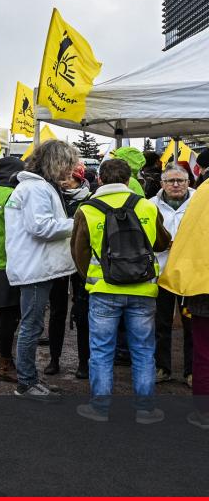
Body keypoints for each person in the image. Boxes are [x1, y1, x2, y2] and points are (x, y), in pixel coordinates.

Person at [71, 158, 171, 423]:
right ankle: (146, 410)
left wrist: (91, 279)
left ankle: (100, 408)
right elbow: (161, 243)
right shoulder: (147, 206)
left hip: (103, 290)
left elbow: (78, 253)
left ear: (100, 179)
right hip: (143, 291)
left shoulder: (87, 209)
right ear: (129, 180)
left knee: (102, 351)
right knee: (143, 351)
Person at [5, 139, 80, 403]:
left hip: (36, 266)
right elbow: (42, 227)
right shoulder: (36, 189)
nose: (70, 171)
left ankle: (30, 379)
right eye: (68, 165)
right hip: (35, 268)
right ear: (55, 163)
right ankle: (26, 382)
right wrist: (75, 223)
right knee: (31, 326)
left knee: (31, 325)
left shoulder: (34, 187)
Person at [151, 164, 195, 385]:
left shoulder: (199, 203)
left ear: (189, 182)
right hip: (162, 274)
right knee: (161, 324)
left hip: (191, 276)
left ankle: (192, 371)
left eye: (181, 180)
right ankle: (162, 367)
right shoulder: (150, 205)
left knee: (192, 326)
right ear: (162, 184)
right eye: (170, 181)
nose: (176, 184)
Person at [0, 157, 25, 383]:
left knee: (4, 314)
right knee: (11, 315)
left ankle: (4, 358)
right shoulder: (12, 195)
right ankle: (6, 363)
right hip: (9, 262)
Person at [61, 164, 94, 379]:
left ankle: (84, 362)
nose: (64, 181)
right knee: (57, 311)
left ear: (79, 179)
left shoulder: (90, 199)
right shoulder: (56, 197)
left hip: (82, 262)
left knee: (83, 314)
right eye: (61, 177)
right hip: (59, 260)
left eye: (68, 178)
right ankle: (54, 359)